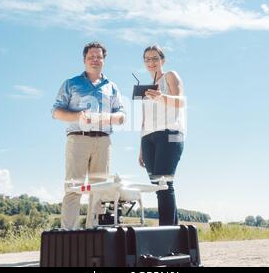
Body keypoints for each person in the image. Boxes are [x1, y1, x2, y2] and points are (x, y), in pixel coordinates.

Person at [52, 42, 125, 229]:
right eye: (91, 56)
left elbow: (122, 115)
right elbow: (56, 112)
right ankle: (69, 234)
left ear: (104, 60)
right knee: (73, 188)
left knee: (100, 190)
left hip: (103, 141)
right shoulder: (71, 83)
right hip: (78, 138)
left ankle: (94, 233)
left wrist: (110, 117)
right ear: (84, 59)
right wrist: (77, 116)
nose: (95, 60)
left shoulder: (112, 87)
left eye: (99, 57)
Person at [139, 45, 186, 226]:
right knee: (158, 186)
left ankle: (167, 232)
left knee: (164, 183)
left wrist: (161, 97)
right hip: (148, 138)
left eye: (155, 58)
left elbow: (181, 102)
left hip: (170, 134)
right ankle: (172, 231)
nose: (151, 62)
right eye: (147, 59)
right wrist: (141, 149)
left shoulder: (170, 76)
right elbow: (144, 120)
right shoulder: (146, 89)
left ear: (162, 60)